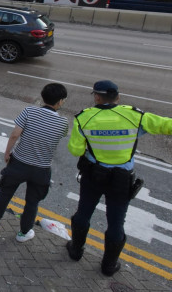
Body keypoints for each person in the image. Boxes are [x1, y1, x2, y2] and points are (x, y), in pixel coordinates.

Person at [66, 80, 172, 276]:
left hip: (93, 176)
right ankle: (108, 265)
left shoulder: (84, 118)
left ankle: (75, 251)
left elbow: (75, 149)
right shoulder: (134, 116)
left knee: (83, 213)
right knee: (116, 223)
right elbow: (167, 126)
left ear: (97, 97)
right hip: (121, 180)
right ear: (118, 97)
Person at [0, 83, 68, 242]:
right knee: (32, 202)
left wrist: (8, 152)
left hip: (19, 163)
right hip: (42, 169)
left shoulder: (29, 111)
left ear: (43, 97)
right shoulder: (63, 123)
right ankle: (24, 232)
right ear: (59, 102)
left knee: (6, 192)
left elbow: (15, 134)